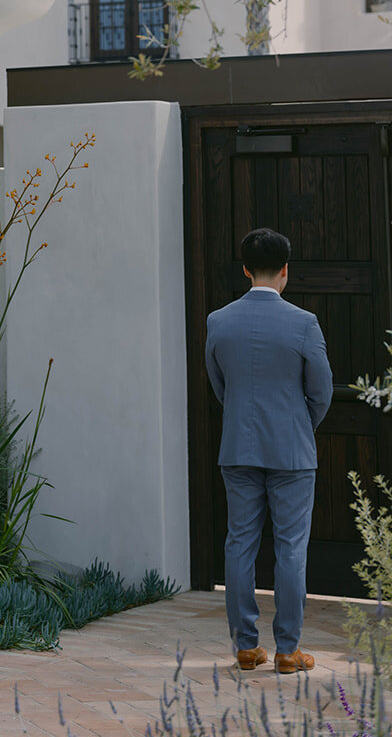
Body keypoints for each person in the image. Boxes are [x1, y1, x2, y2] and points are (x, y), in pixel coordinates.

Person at [205, 227, 332, 674]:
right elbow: (321, 392)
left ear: (245, 270)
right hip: (292, 450)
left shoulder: (218, 321)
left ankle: (245, 646)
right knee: (291, 547)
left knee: (239, 543)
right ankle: (287, 650)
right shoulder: (304, 323)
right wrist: (299, 423)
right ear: (285, 271)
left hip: (238, 445)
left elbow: (220, 385)